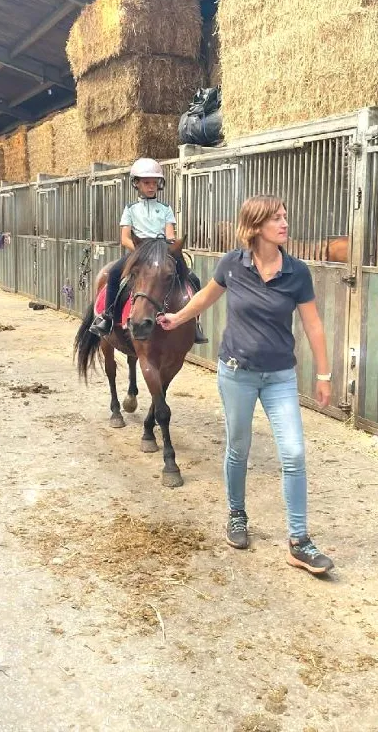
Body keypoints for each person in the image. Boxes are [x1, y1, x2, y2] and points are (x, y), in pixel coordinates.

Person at [158, 194, 334, 575]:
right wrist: (177, 317)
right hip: (236, 373)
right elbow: (206, 296)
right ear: (255, 227)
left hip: (280, 378)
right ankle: (237, 516)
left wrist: (323, 374)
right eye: (276, 219)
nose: (285, 224)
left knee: (294, 453)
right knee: (238, 447)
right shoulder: (232, 265)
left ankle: (299, 541)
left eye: (285, 217)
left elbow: (313, 324)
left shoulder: (296, 272)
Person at [89, 157, 208, 344]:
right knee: (112, 275)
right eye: (146, 183)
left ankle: (196, 323)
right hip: (138, 253)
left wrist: (168, 248)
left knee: (193, 278)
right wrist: (140, 251)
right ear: (136, 183)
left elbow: (170, 235)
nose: (151, 187)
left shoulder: (165, 208)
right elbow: (125, 238)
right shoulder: (130, 209)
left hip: (161, 252)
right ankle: (108, 317)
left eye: (154, 183)